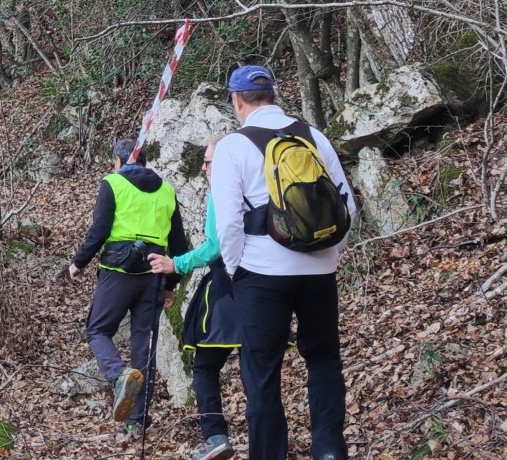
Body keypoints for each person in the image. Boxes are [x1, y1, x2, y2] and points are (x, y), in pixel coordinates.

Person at [210, 65, 357, 460]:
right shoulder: (314, 137)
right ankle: (328, 448)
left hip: (261, 273)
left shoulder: (232, 147)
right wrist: (329, 253)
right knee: (323, 356)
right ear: (274, 95)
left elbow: (227, 223)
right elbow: (348, 207)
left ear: (237, 101)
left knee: (262, 369)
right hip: (319, 270)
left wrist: (235, 267)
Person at [68, 139, 188, 434]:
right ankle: (137, 422)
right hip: (154, 273)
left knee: (97, 330)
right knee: (143, 346)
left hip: (118, 270)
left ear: (120, 161)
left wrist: (78, 263)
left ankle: (118, 374)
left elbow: (100, 230)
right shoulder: (167, 189)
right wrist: (170, 283)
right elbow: (178, 244)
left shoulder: (113, 183)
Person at [147, 136, 240, 460]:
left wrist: (177, 263)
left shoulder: (222, 192)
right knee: (259, 368)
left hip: (227, 291)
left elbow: (214, 245)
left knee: (204, 367)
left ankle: (215, 437)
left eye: (208, 161)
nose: (203, 167)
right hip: (265, 287)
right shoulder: (255, 187)